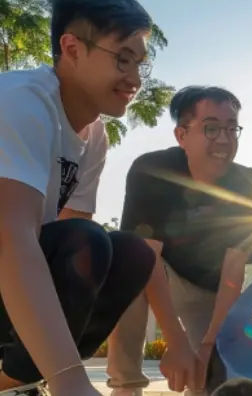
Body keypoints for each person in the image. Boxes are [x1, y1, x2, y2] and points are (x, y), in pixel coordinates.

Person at [0, 0, 156, 395]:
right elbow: (10, 240)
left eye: (141, 63)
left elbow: (69, 242)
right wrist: (69, 377)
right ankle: (55, 380)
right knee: (85, 242)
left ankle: (14, 379)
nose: (135, 79)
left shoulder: (94, 134)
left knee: (129, 253)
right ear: (71, 49)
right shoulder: (22, 101)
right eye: (123, 59)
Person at [107, 86, 252, 396]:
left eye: (232, 128)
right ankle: (126, 386)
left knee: (211, 382)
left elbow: (234, 271)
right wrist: (175, 341)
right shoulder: (151, 170)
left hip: (208, 288)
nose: (224, 139)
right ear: (182, 135)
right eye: (211, 128)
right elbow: (146, 257)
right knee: (123, 254)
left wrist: (208, 344)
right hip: (157, 272)